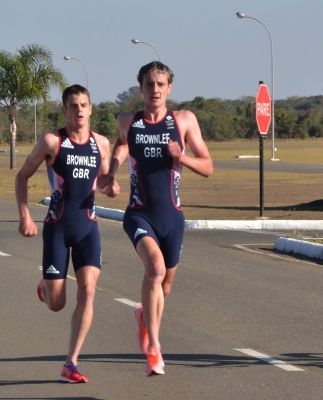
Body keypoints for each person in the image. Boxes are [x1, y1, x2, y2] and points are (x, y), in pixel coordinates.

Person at [98, 61, 213, 376]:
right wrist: (110, 172)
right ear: (141, 88)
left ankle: (143, 317)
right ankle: (154, 348)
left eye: (161, 84)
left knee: (166, 286)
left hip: (172, 218)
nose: (155, 90)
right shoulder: (128, 121)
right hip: (139, 213)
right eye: (149, 84)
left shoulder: (184, 120)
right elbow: (121, 146)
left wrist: (182, 158)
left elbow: (208, 166)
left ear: (169, 88)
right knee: (155, 269)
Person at [15, 84, 112, 384]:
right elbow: (22, 176)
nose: (79, 110)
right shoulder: (52, 142)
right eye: (73, 106)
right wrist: (25, 216)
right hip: (57, 228)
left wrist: (111, 187)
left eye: (84, 105)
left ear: (91, 108)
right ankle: (45, 289)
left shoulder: (101, 144)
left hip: (87, 229)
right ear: (64, 110)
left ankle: (71, 362)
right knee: (57, 304)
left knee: (89, 290)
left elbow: (106, 179)